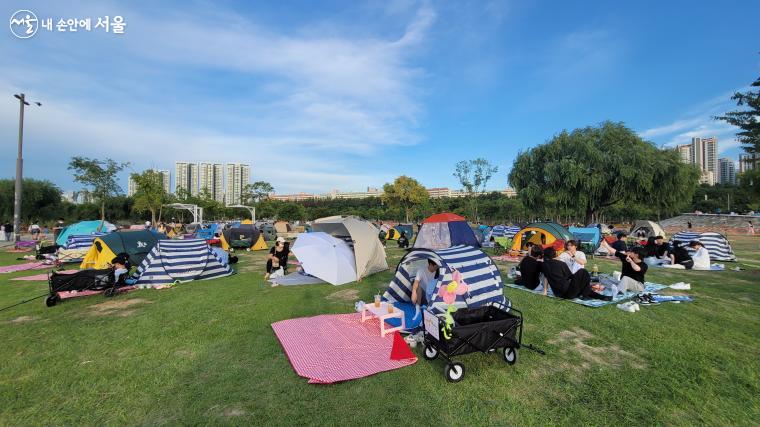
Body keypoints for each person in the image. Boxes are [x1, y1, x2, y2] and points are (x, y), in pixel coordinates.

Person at [541, 247, 611, 301]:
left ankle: (601, 297)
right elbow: (570, 276)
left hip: (558, 294)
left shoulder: (544, 265)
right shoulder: (561, 264)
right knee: (583, 271)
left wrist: (545, 291)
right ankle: (588, 294)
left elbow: (546, 277)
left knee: (583, 289)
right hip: (567, 293)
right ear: (555, 254)